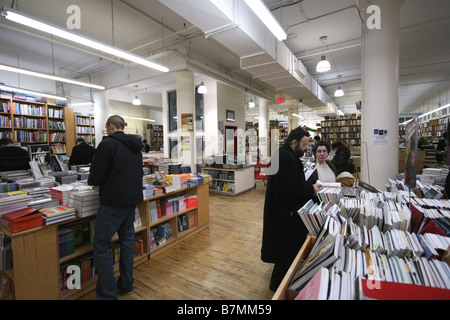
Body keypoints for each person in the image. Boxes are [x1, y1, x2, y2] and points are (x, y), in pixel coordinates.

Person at [88, 115, 144, 300]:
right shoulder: (136, 146)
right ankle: (127, 285)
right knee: (127, 242)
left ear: (110, 126)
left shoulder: (107, 144)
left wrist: (93, 180)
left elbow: (97, 176)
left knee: (102, 245)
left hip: (112, 202)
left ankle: (107, 294)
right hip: (131, 200)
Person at [261, 126, 321, 292]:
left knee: (286, 253)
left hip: (284, 211)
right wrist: (311, 189)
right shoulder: (286, 157)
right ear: (294, 142)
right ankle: (279, 288)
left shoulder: (284, 154)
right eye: (304, 145)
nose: (306, 148)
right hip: (286, 214)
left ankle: (281, 285)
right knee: (286, 253)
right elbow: (291, 188)